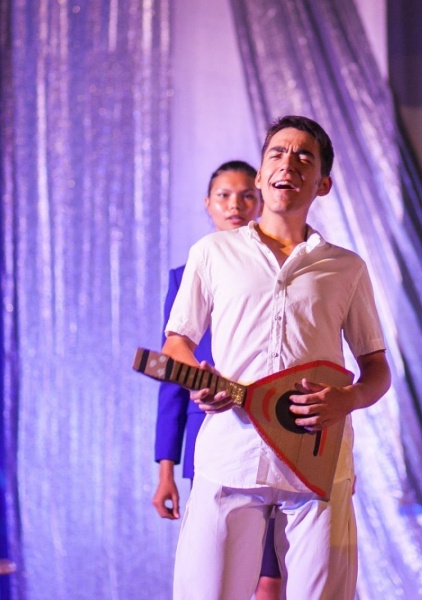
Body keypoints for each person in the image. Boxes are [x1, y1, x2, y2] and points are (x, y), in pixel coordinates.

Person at [163, 116, 392, 599]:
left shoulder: (346, 267)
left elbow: (377, 369)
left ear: (323, 183)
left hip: (318, 462)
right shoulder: (212, 252)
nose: (288, 163)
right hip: (230, 454)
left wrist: (347, 399)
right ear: (262, 175)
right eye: (277, 153)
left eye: (304, 156)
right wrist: (198, 378)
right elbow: (175, 342)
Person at [151, 161, 282, 598]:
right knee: (219, 573)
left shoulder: (281, 272)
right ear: (207, 204)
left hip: (277, 433)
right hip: (211, 438)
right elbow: (172, 375)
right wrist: (165, 469)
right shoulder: (186, 276)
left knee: (271, 577)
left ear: (261, 202)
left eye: (246, 196)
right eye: (224, 196)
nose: (235, 205)